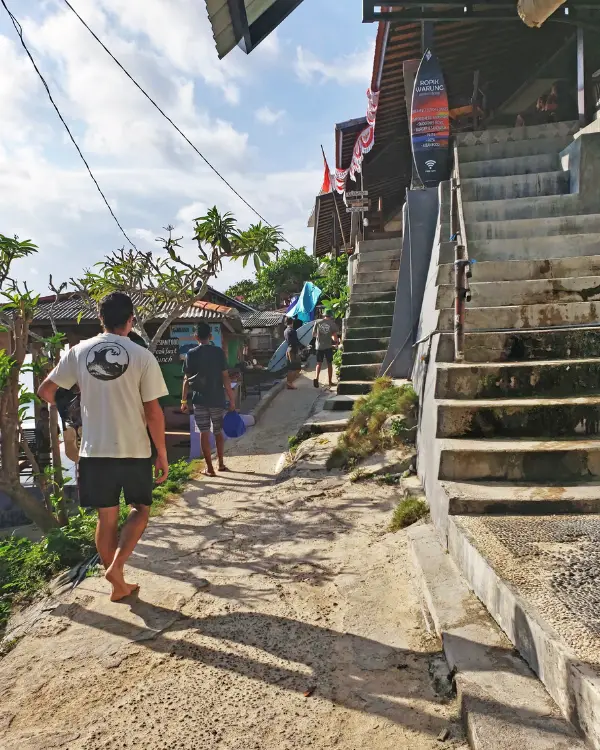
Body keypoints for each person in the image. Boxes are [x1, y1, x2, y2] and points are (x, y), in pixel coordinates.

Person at [38, 292, 169, 602]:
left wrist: (77, 403)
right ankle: (117, 567)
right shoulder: (141, 356)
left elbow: (46, 390)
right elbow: (153, 412)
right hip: (134, 450)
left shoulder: (78, 352)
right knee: (140, 510)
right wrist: (161, 451)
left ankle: (118, 585)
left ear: (100, 319)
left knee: (106, 519)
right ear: (131, 320)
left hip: (93, 452)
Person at [181, 322, 236, 477]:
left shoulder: (191, 354)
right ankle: (221, 464)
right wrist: (231, 399)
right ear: (210, 336)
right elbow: (225, 377)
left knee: (203, 433)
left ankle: (209, 468)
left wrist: (184, 401)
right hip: (217, 399)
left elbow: (186, 379)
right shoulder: (218, 352)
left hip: (199, 400)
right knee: (218, 432)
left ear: (196, 336)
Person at [312, 310, 339, 389]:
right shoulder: (332, 324)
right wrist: (336, 342)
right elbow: (334, 337)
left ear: (324, 315)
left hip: (318, 346)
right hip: (328, 346)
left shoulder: (317, 322)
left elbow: (313, 334)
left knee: (318, 363)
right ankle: (330, 382)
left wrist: (320, 336)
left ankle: (316, 378)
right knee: (329, 364)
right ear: (330, 316)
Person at [284, 317, 302, 390]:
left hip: (288, 349)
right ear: (292, 322)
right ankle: (290, 383)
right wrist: (301, 348)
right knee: (296, 368)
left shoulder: (285, 330)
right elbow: (296, 342)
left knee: (290, 368)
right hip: (293, 350)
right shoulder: (292, 331)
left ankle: (289, 383)